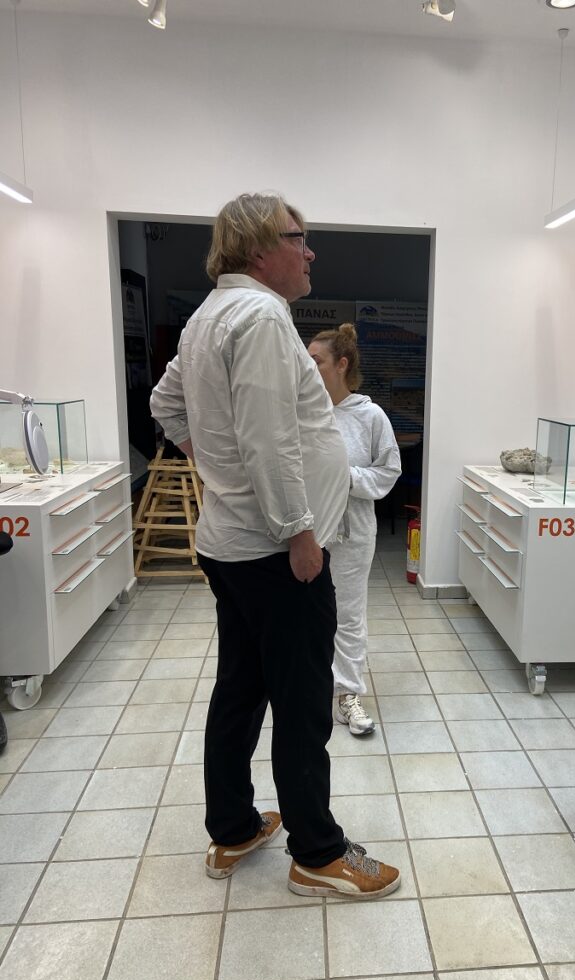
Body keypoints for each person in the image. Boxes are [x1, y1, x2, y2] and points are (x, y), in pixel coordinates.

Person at [150, 192, 399, 900]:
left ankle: (232, 828)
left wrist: (215, 467)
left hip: (232, 544)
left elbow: (165, 404)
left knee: (240, 689)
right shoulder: (260, 317)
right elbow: (269, 439)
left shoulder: (209, 316)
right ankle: (317, 852)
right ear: (259, 248)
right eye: (299, 237)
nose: (310, 251)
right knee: (302, 703)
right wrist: (300, 533)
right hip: (275, 550)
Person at [307, 325, 400, 736]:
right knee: (305, 614)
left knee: (347, 615)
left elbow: (389, 470)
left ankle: (347, 694)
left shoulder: (370, 416)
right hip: (305, 533)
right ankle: (310, 689)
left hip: (352, 533)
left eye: (316, 361)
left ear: (341, 364)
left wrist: (344, 478)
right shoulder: (304, 411)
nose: (307, 367)